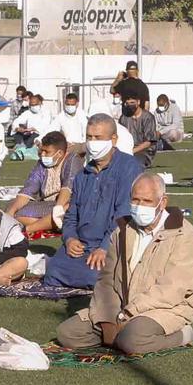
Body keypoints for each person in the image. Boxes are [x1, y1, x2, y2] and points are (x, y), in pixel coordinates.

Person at [54, 172, 193, 355]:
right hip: (122, 307)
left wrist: (131, 312)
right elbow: (106, 279)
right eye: (135, 200)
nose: (139, 206)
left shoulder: (185, 236)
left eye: (146, 201)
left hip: (164, 308)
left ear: (162, 202)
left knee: (133, 340)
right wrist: (107, 317)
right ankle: (119, 335)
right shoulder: (122, 231)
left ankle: (183, 334)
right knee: (68, 333)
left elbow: (174, 288)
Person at [47, 116, 141, 288]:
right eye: (89, 137)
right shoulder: (83, 175)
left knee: (94, 274)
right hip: (82, 246)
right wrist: (69, 239)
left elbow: (124, 215)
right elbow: (71, 216)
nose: (92, 142)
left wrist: (104, 248)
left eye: (98, 138)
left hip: (112, 245)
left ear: (113, 140)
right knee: (53, 269)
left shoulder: (128, 167)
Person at [7, 131, 80, 232]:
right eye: (42, 151)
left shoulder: (72, 159)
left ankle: (31, 228)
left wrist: (58, 209)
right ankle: (51, 225)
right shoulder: (41, 164)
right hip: (48, 205)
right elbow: (28, 190)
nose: (43, 154)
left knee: (70, 207)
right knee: (13, 206)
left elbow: (68, 187)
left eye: (47, 152)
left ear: (60, 153)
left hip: (66, 204)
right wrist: (10, 213)